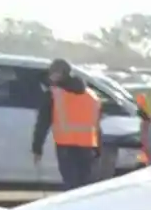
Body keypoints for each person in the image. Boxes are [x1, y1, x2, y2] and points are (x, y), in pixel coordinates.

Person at [31, 59, 102, 189]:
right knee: (84, 186)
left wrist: (37, 148)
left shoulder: (54, 95)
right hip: (87, 147)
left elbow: (43, 123)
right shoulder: (91, 95)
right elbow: (97, 125)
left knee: (71, 185)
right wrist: (98, 149)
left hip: (66, 147)